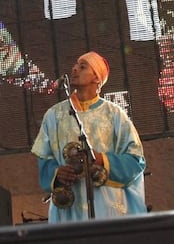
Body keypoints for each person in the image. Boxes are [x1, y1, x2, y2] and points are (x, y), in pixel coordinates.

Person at [32, 52, 147, 221]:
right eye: (76, 65)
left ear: (96, 78)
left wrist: (102, 160)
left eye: (83, 66)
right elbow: (44, 159)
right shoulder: (54, 115)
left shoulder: (114, 114)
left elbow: (136, 161)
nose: (75, 69)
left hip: (108, 206)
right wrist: (57, 174)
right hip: (69, 210)